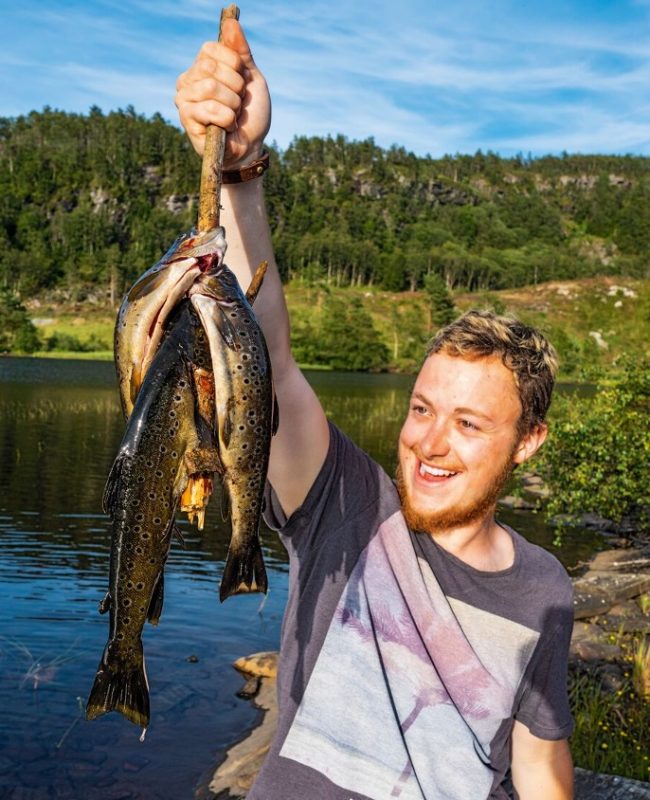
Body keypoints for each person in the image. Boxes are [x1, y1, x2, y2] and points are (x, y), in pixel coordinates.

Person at [175, 18, 575, 800]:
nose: (429, 442)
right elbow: (272, 361)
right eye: (423, 408)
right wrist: (239, 172)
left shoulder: (545, 588)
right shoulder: (350, 511)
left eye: (468, 423)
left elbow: (537, 761)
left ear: (528, 442)